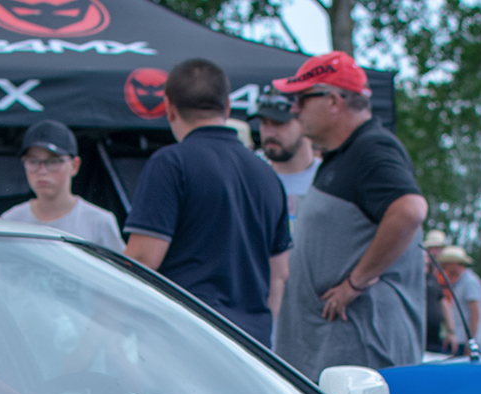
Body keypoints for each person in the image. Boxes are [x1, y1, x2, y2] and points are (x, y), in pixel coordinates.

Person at [269, 51, 429, 376]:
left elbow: (410, 210)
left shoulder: (371, 149)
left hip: (361, 353)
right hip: (338, 354)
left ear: (333, 101)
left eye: (301, 98)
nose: (295, 109)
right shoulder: (348, 153)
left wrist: (355, 283)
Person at [122, 58, 291, 347]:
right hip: (251, 349)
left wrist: (103, 337)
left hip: (185, 343)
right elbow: (280, 275)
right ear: (227, 106)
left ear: (168, 108)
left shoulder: (170, 164)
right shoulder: (267, 175)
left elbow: (141, 261)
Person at [0, 121, 122, 248]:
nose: (42, 171)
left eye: (53, 161)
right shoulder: (11, 220)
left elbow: (119, 267)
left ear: (75, 165)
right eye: (33, 161)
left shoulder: (99, 222)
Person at [256, 95, 318, 231]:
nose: (269, 132)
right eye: (264, 122)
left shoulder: (327, 178)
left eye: (279, 122)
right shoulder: (248, 173)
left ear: (305, 122)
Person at [438, 245, 481, 351]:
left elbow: (475, 314)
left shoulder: (470, 282)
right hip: (459, 341)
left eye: (446, 264)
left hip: (465, 343)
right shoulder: (459, 282)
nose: (444, 268)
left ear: (454, 264)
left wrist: (470, 343)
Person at [421, 228, 450, 355]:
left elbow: (444, 302)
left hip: (437, 332)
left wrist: (450, 330)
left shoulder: (443, 273)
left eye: (439, 248)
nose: (437, 252)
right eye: (434, 248)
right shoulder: (421, 271)